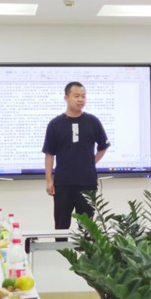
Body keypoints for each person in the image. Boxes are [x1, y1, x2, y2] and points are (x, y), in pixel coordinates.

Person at [42, 81, 110, 230]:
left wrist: (90, 162)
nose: (80, 100)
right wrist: (49, 180)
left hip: (87, 183)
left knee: (87, 229)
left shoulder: (93, 121)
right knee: (61, 226)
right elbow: (49, 153)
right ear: (66, 98)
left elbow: (103, 146)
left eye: (83, 96)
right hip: (63, 184)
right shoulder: (55, 123)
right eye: (76, 96)